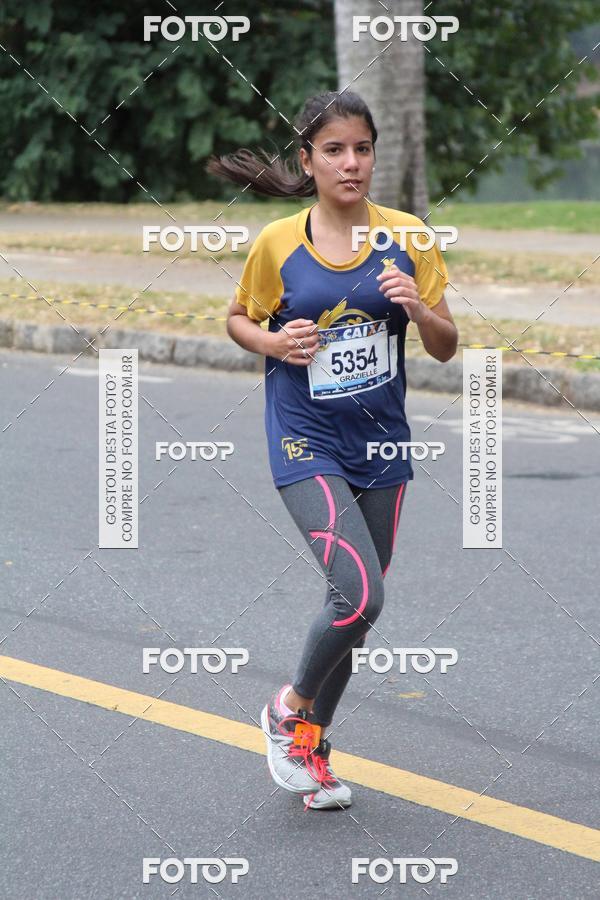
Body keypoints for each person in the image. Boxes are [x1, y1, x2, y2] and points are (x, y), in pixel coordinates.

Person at [207, 90, 458, 811]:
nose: (351, 163)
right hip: (304, 436)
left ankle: (310, 748)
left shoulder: (408, 237)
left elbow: (446, 345)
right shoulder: (278, 243)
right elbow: (237, 319)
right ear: (308, 160)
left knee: (352, 609)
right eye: (334, 150)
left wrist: (417, 307)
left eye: (362, 149)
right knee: (361, 595)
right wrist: (274, 341)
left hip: (380, 444)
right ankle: (286, 711)